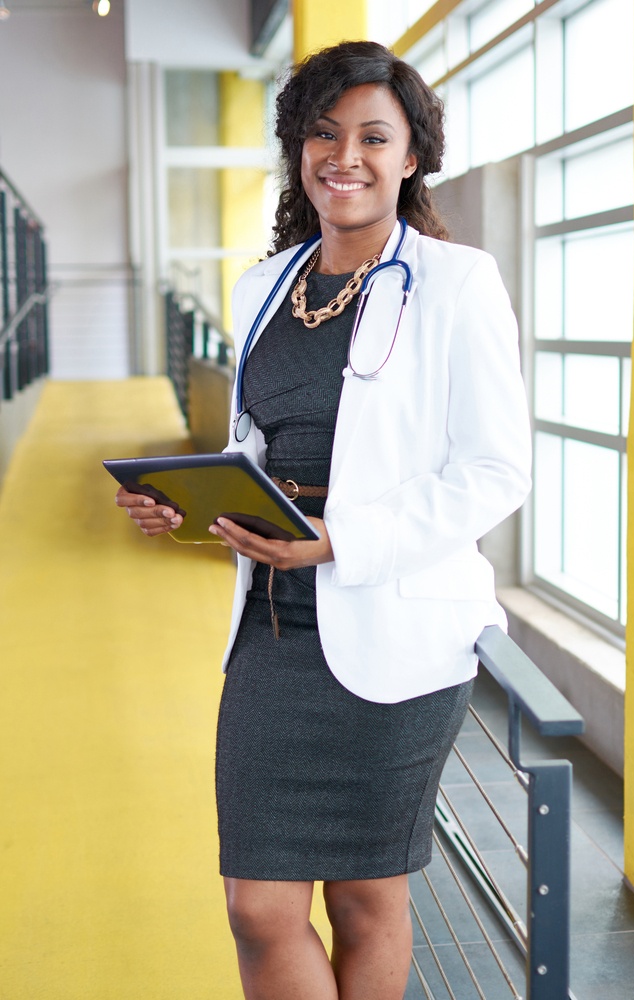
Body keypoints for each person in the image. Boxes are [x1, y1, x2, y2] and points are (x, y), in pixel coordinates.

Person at [115, 40, 531, 1000]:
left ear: (412, 155)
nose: (345, 155)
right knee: (258, 908)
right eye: (324, 132)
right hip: (270, 631)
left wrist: (346, 538)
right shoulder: (265, 286)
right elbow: (258, 450)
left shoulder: (457, 283)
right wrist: (186, 501)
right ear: (300, 149)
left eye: (374, 137)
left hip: (395, 628)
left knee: (363, 901)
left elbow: (495, 469)